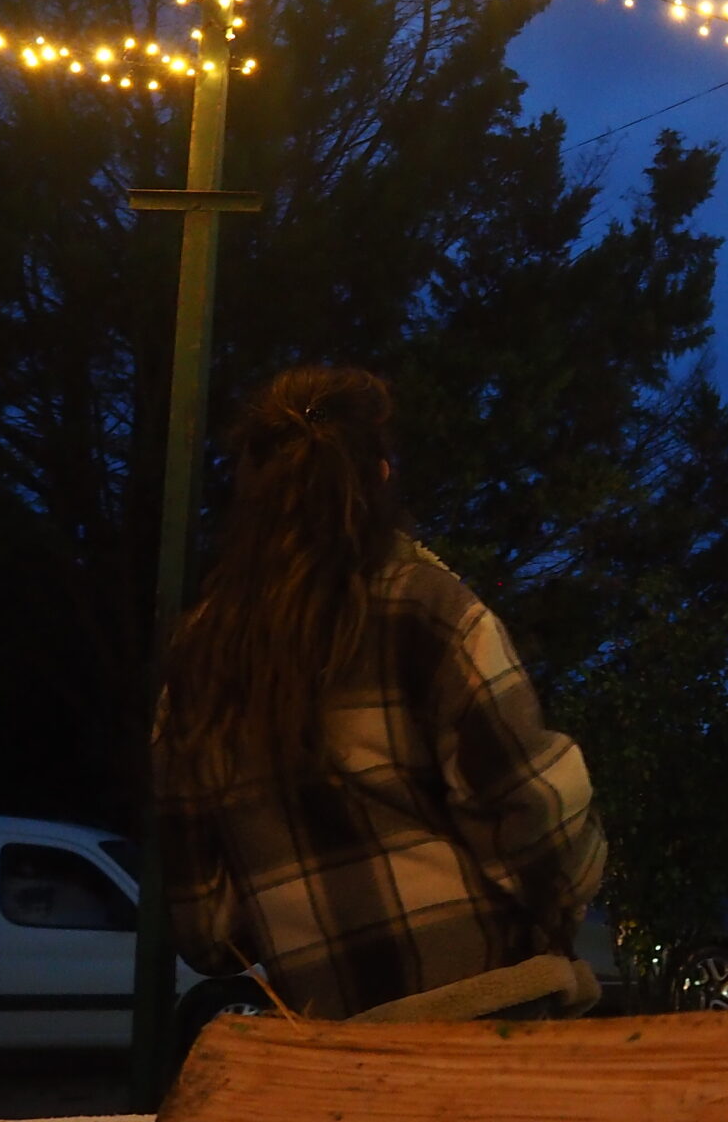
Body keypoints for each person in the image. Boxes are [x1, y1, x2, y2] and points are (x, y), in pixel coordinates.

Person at [153, 364, 605, 1020]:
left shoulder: (196, 664)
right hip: (490, 1020)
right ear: (382, 475)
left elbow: (206, 929)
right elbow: (537, 829)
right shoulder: (429, 609)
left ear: (251, 491)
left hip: (335, 1048)